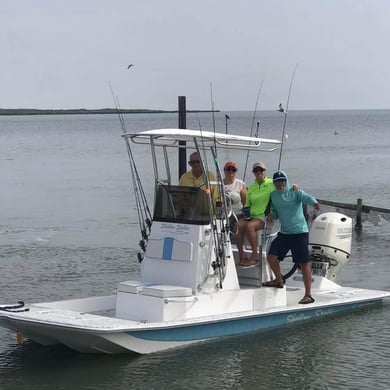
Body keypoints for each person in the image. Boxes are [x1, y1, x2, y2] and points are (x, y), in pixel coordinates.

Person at [263, 170, 320, 305]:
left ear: (286, 181)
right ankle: (279, 280)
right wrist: (272, 216)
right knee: (271, 257)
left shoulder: (295, 191)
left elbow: (306, 197)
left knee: (303, 262)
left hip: (299, 232)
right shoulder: (273, 195)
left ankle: (308, 295)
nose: (280, 184)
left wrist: (314, 203)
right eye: (277, 182)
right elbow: (276, 212)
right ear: (274, 183)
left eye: (282, 180)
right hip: (285, 233)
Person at [235, 162, 274, 267]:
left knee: (250, 226)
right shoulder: (252, 186)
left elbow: (284, 188)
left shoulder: (272, 183)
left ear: (265, 171)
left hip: (263, 216)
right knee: (238, 225)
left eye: (260, 170)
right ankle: (241, 255)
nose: (258, 172)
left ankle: (255, 255)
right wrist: (246, 211)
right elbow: (247, 202)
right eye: (256, 171)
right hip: (251, 215)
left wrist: (295, 187)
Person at [223, 161, 247, 232]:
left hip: (238, 214)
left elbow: (245, 202)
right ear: (224, 170)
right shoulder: (218, 183)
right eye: (228, 169)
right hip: (223, 215)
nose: (231, 171)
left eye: (233, 170)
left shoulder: (240, 184)